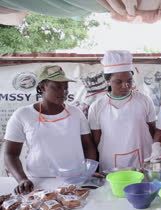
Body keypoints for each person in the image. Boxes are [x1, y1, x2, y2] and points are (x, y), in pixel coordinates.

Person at [4, 65, 97, 194]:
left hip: (74, 181)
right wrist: (22, 180)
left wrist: (89, 173)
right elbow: (10, 154)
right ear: (43, 87)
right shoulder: (22, 115)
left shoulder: (76, 113)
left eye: (65, 87)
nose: (63, 92)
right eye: (57, 87)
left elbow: (89, 147)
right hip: (38, 182)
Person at [88, 50, 156, 172]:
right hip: (110, 162)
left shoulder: (144, 101)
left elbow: (152, 131)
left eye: (129, 81)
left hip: (141, 158)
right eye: (119, 82)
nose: (125, 85)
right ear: (108, 81)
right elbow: (96, 140)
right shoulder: (97, 107)